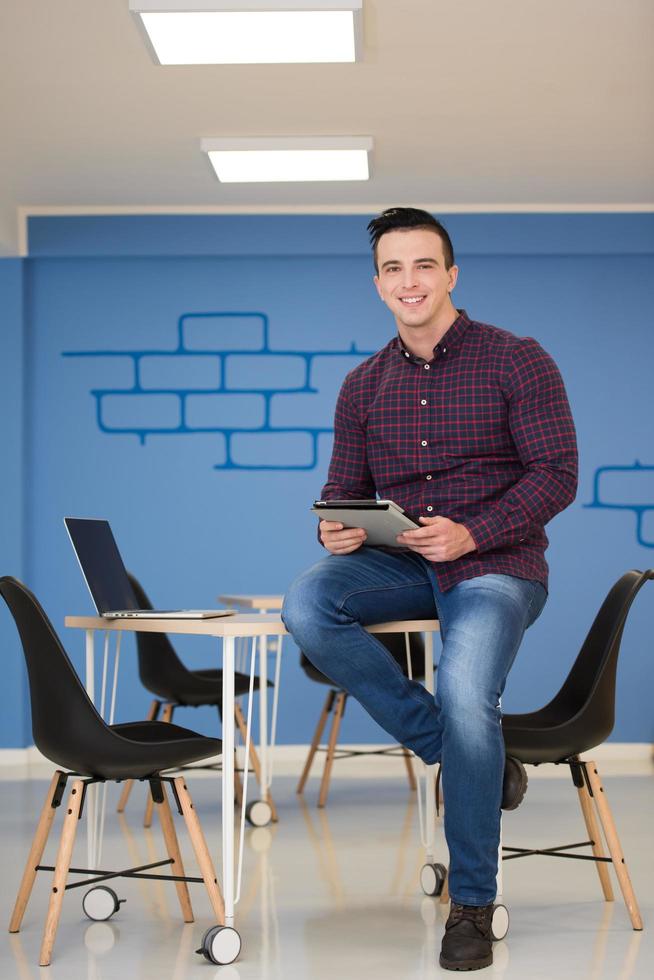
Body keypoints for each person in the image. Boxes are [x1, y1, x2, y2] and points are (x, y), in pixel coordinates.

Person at [282, 207, 578, 971]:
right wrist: (336, 529)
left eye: (423, 266)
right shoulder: (362, 385)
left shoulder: (518, 360)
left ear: (451, 274)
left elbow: (557, 475)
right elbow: (342, 489)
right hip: (403, 561)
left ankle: (472, 906)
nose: (408, 281)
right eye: (392, 268)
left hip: (496, 565)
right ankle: (455, 748)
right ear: (377, 283)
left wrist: (472, 532)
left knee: (467, 688)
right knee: (309, 603)